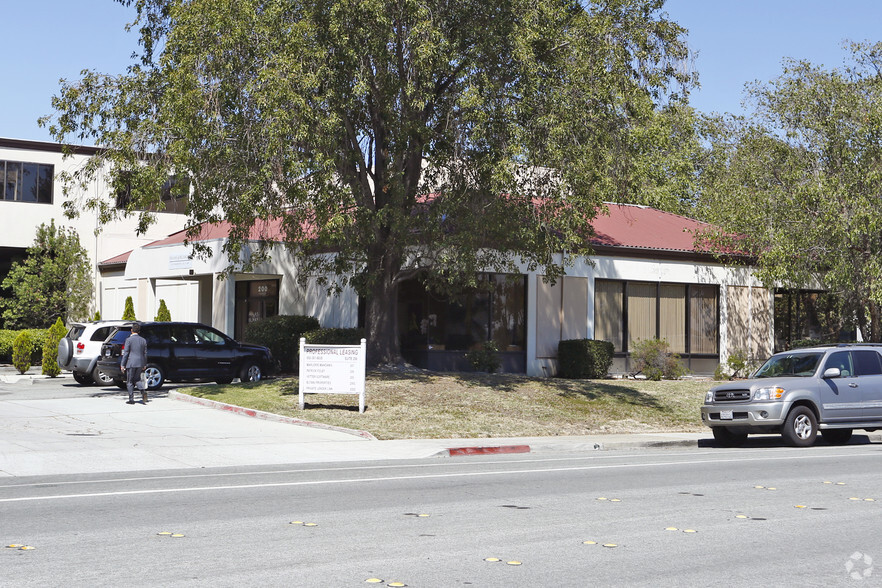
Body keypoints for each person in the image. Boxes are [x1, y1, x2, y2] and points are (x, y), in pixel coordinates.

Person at [120, 323, 148, 404]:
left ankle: (131, 399)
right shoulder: (143, 340)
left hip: (131, 362)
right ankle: (143, 391)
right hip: (140, 363)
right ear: (139, 331)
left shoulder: (128, 340)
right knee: (137, 379)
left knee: (130, 381)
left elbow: (126, 353)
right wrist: (144, 364)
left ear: (131, 330)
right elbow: (145, 353)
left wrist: (123, 365)